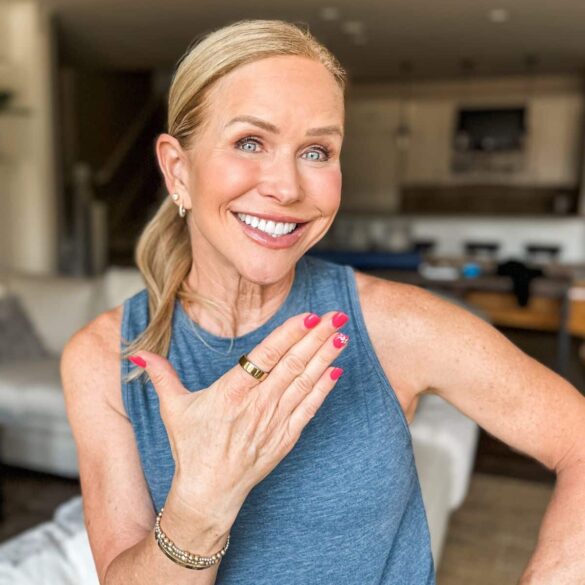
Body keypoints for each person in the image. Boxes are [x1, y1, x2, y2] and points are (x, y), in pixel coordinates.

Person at [60, 19, 585, 585]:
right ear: (177, 169)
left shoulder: (395, 324)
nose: (287, 188)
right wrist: (201, 502)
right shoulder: (103, 360)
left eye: (317, 151)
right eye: (250, 142)